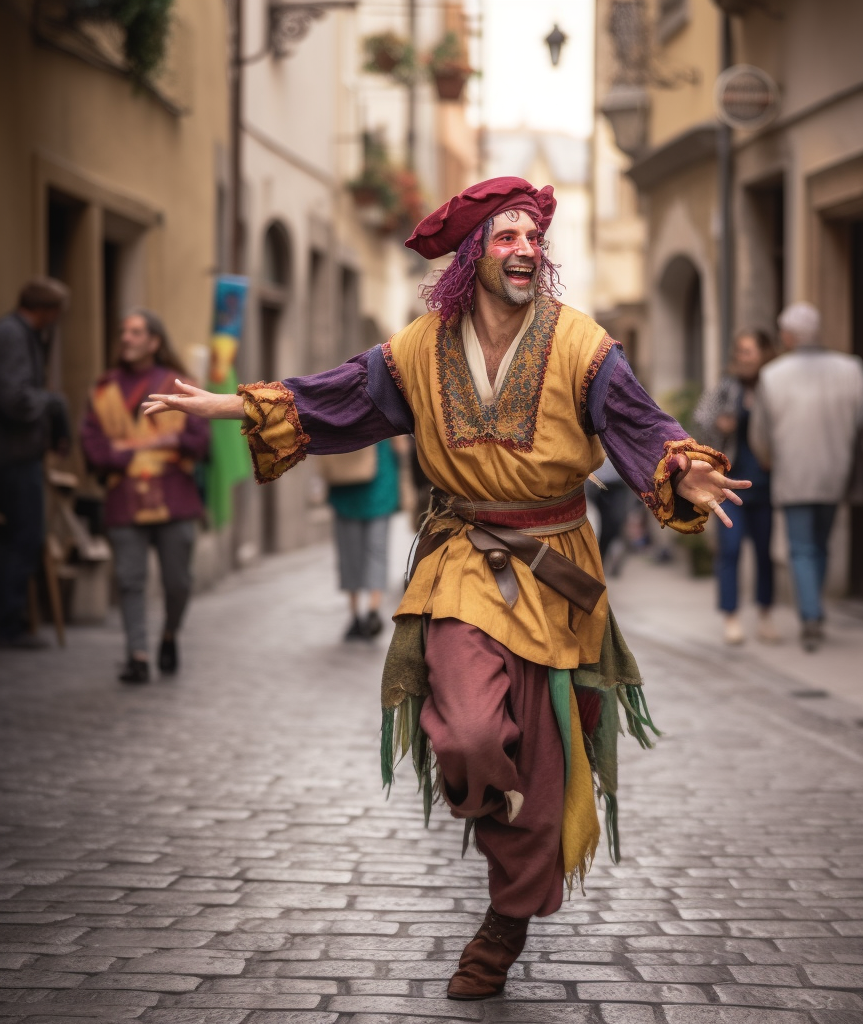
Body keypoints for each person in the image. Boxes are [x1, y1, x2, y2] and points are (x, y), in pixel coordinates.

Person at [143, 177, 750, 1000]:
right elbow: (338, 398)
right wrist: (229, 405)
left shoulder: (583, 345)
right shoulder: (419, 350)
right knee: (467, 734)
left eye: (533, 237)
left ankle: (507, 917)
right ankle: (495, 832)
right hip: (463, 555)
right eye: (506, 237)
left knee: (542, 767)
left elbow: (638, 423)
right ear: (473, 256)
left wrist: (685, 470)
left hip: (557, 567)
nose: (526, 249)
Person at [749, 301, 863, 652]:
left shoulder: (772, 375)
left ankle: (810, 616)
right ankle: (815, 609)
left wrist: (768, 460)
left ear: (789, 335)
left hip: (793, 475)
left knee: (801, 549)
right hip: (835, 473)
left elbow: (759, 435)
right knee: (822, 544)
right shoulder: (852, 369)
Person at [80, 310, 209, 683]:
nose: (126, 338)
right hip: (124, 497)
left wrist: (151, 443)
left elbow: (198, 441)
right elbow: (93, 448)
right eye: (123, 332)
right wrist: (148, 447)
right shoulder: (104, 388)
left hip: (175, 498)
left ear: (154, 341)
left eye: (135, 332)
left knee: (178, 582)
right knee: (129, 580)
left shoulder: (180, 386)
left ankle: (170, 633)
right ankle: (137, 654)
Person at [694, 328, 777, 645]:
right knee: (729, 550)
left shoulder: (773, 387)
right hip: (729, 486)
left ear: (763, 354)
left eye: (748, 351)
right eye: (739, 351)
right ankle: (731, 617)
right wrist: (718, 426)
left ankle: (765, 613)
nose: (742, 358)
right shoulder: (726, 387)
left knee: (764, 552)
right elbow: (700, 419)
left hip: (766, 485)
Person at [0, 278, 71, 648]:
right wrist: (52, 404)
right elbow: (15, 398)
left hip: (17, 453)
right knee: (26, 537)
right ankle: (9, 624)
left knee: (22, 537)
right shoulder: (13, 334)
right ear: (46, 310)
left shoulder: (20, 333)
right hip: (13, 455)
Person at [327, 438, 402, 640]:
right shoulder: (388, 405)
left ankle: (355, 615)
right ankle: (373, 610)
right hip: (380, 478)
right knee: (377, 549)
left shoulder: (336, 405)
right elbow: (400, 445)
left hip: (344, 479)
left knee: (349, 551)